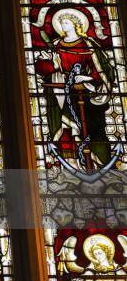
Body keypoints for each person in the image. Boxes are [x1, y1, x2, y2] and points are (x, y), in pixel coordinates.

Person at [34, 9, 114, 170]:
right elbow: (45, 71)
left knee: (93, 131)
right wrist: (46, 61)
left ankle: (99, 165)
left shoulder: (88, 45)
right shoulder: (56, 45)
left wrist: (87, 79)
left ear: (75, 24)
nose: (63, 24)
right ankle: (72, 167)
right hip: (62, 94)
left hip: (87, 95)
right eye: (61, 22)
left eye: (66, 22)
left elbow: (103, 71)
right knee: (66, 130)